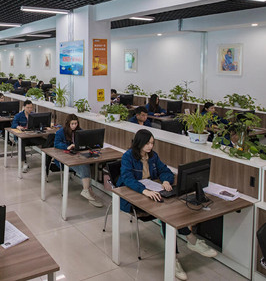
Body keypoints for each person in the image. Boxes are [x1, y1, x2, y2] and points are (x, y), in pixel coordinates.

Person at [117, 129, 218, 280]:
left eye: (152, 143)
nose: (150, 146)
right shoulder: (128, 156)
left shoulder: (153, 156)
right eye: (147, 143)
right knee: (167, 216)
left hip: (153, 193)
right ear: (139, 142)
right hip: (133, 198)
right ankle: (187, 245)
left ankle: (177, 255)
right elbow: (127, 178)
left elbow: (166, 171)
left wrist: (165, 180)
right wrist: (144, 191)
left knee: (170, 214)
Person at [54, 114, 102, 207]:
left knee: (84, 164)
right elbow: (56, 144)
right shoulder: (61, 132)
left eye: (76, 123)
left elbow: (86, 142)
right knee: (84, 166)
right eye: (72, 124)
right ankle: (88, 191)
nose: (74, 126)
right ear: (68, 124)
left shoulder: (80, 131)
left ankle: (87, 190)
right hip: (64, 160)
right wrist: (67, 146)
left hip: (76, 157)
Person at [11, 100, 40, 172]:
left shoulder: (34, 115)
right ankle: (24, 162)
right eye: (28, 107)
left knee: (46, 141)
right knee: (21, 143)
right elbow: (13, 124)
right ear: (24, 107)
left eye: (31, 107)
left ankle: (48, 161)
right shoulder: (18, 115)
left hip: (32, 136)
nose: (30, 109)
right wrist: (18, 126)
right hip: (22, 138)